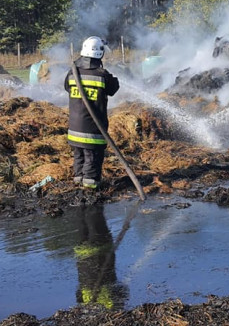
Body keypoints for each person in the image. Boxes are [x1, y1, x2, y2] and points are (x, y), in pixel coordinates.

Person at [64, 36, 120, 190]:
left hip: (74, 128)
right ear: (99, 53)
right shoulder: (102, 75)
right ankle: (90, 187)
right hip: (93, 129)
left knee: (79, 155)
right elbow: (113, 89)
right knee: (92, 157)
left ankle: (78, 180)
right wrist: (112, 78)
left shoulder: (72, 72)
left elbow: (67, 88)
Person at [73, 203, 125, 309]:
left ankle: (91, 200)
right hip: (82, 257)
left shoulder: (111, 307)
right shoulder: (85, 306)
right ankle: (80, 203)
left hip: (100, 254)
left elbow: (123, 293)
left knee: (95, 219)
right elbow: (78, 295)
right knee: (82, 223)